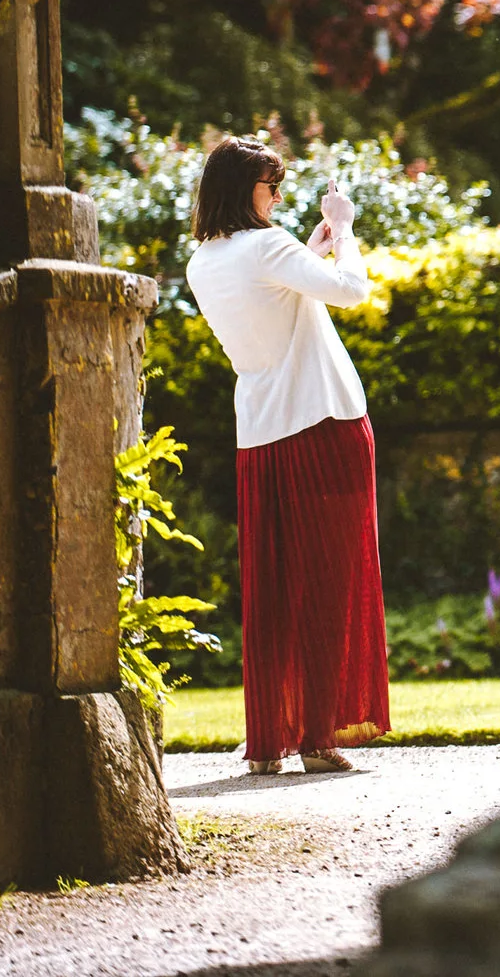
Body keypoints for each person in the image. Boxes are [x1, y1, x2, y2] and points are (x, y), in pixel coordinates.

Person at [184, 136, 392, 774]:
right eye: (270, 186)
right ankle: (319, 736)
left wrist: (309, 250)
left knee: (274, 586)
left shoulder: (203, 262)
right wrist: (346, 231)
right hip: (323, 424)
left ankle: (270, 741)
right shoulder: (266, 247)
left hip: (262, 434)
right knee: (329, 582)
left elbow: (270, 303)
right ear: (244, 189)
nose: (276, 197)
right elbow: (351, 292)